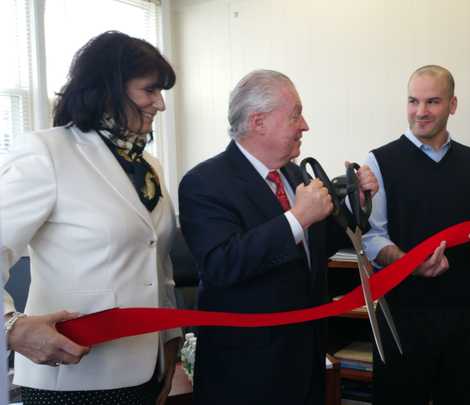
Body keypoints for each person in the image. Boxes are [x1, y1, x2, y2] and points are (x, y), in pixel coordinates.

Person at [0, 31, 181, 404]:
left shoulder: (148, 167)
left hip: (147, 372)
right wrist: (11, 328)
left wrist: (170, 346)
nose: (160, 105)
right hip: (72, 379)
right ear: (109, 89)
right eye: (150, 90)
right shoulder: (46, 152)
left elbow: (157, 268)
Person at [178, 69, 378, 405]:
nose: (305, 125)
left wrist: (355, 207)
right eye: (295, 115)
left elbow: (313, 251)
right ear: (258, 122)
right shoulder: (204, 183)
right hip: (246, 374)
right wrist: (297, 218)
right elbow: (221, 264)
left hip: (306, 363)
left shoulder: (294, 173)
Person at [362, 65, 470, 405]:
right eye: (413, 101)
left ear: (453, 105)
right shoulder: (380, 161)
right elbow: (371, 238)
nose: (420, 112)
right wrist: (411, 264)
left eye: (433, 102)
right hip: (402, 318)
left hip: (464, 317)